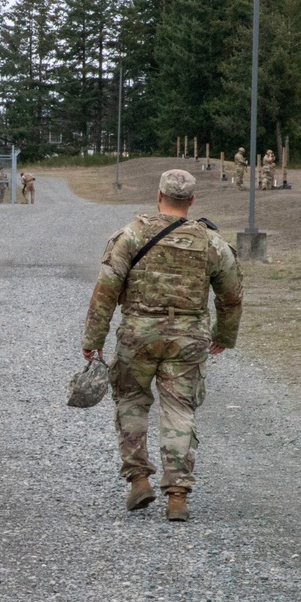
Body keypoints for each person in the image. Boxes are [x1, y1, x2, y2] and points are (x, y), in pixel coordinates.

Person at [81, 169, 243, 522]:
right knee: (179, 411)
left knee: (131, 404)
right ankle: (177, 496)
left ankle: (138, 479)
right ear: (192, 201)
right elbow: (231, 297)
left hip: (138, 334)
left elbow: (106, 291)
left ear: (159, 196)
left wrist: (92, 341)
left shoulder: (131, 235)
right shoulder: (211, 242)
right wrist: (223, 337)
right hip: (187, 338)